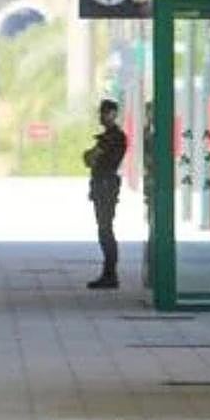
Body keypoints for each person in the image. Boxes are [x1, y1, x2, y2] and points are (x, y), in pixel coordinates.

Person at [84, 99, 128, 290]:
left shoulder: (114, 137)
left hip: (106, 186)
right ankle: (109, 273)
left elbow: (91, 157)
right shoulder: (109, 137)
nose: (101, 116)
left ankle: (110, 274)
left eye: (105, 112)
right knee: (103, 229)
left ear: (113, 114)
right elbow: (88, 159)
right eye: (101, 112)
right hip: (102, 185)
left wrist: (92, 155)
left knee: (105, 229)